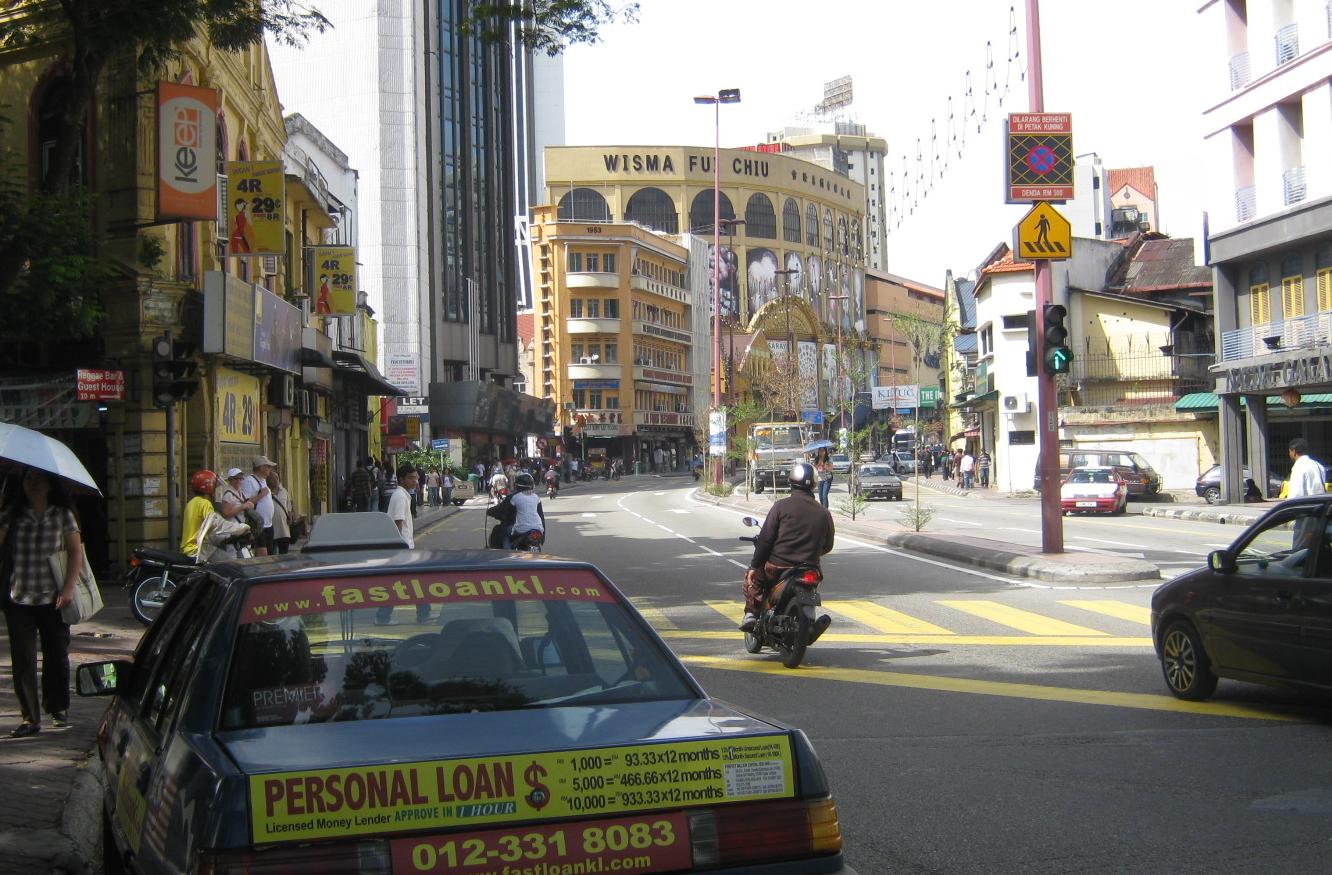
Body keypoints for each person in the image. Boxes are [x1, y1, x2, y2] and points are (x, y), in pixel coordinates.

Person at [0, 469, 82, 737]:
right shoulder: (13, 516)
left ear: (50, 485)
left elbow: (74, 552)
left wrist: (68, 587)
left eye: (38, 480)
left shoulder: (62, 515)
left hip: (53, 598)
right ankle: (29, 719)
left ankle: (57, 707)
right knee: (23, 660)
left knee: (56, 655)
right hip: (19, 597)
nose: (32, 485)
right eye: (27, 479)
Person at [740, 462, 835, 637]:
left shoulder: (780, 507)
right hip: (810, 569)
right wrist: (811, 553)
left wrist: (754, 566)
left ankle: (751, 614)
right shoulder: (824, 513)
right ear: (814, 485)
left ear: (791, 482)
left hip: (778, 567)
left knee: (754, 577)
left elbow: (766, 540)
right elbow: (828, 545)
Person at [240, 455, 276, 556]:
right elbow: (246, 503)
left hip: (268, 524)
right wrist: (261, 495)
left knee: (269, 555)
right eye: (268, 467)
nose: (270, 469)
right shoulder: (249, 481)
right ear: (261, 468)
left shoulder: (263, 481)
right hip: (258, 526)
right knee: (262, 555)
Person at [180, 470, 218, 558]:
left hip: (186, 549)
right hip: (197, 550)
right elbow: (215, 526)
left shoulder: (190, 503)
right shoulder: (205, 504)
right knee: (228, 561)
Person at [506, 472, 546, 549]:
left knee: (507, 531)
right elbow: (541, 516)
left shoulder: (515, 497)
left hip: (522, 528)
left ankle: (508, 551)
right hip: (538, 528)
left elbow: (509, 512)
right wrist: (543, 534)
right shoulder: (536, 497)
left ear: (517, 486)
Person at [267, 469, 296, 555]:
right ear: (268, 480)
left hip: (284, 530)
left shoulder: (284, 492)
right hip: (271, 529)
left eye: (277, 477)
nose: (275, 480)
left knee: (284, 554)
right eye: (272, 478)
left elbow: (289, 508)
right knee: (271, 554)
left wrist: (290, 517)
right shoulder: (265, 492)